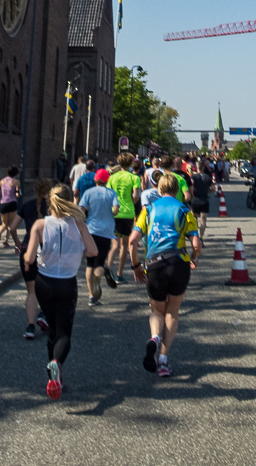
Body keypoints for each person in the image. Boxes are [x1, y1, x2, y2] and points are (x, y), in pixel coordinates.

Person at [23, 184, 97, 400]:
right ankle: (56, 364)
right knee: (64, 332)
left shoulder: (39, 224)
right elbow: (93, 250)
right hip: (67, 282)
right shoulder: (78, 224)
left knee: (53, 329)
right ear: (69, 201)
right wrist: (76, 252)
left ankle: (53, 376)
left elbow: (28, 258)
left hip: (44, 283)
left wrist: (36, 255)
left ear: (50, 202)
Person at [129, 173, 201, 378]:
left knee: (157, 310)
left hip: (154, 265)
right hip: (178, 264)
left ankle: (154, 338)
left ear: (158, 190)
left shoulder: (148, 210)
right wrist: (195, 258)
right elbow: (196, 243)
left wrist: (135, 266)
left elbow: (132, 241)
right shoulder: (185, 210)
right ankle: (163, 360)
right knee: (172, 312)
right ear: (177, 190)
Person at [10, 178, 51, 340]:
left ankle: (30, 326)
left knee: (31, 291)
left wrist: (18, 243)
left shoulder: (26, 205)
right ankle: (43, 315)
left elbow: (12, 227)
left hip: (28, 249)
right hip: (47, 250)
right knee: (49, 287)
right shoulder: (53, 207)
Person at [79, 168, 119, 306]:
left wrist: (85, 217)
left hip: (90, 229)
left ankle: (91, 295)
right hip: (105, 231)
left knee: (90, 263)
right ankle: (101, 277)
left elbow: (81, 209)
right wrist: (110, 213)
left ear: (95, 179)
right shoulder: (111, 193)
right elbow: (116, 210)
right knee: (100, 261)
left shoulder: (88, 192)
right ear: (107, 180)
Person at [106, 152, 141, 284]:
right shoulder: (134, 178)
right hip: (127, 213)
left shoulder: (112, 178)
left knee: (114, 245)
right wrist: (131, 201)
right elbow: (136, 197)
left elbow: (109, 195)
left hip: (114, 212)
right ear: (131, 163)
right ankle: (120, 275)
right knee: (124, 245)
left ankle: (109, 268)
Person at [0, 166, 20, 247]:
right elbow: (18, 193)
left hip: (3, 203)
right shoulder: (16, 181)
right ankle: (5, 241)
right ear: (15, 173)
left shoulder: (2, 181)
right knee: (11, 223)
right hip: (12, 203)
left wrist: (3, 194)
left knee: (4, 224)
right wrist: (16, 194)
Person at [191, 159, 215, 240]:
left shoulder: (193, 177)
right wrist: (208, 191)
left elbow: (191, 187)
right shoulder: (208, 177)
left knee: (194, 219)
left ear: (197, 167)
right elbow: (213, 188)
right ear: (204, 168)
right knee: (203, 220)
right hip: (204, 200)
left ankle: (195, 236)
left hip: (195, 199)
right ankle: (201, 237)